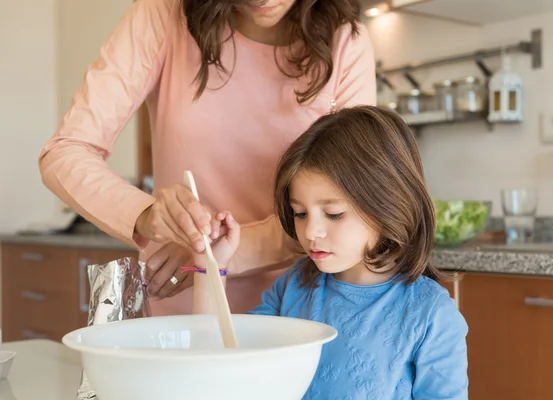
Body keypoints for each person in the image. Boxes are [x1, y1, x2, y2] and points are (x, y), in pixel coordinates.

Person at [38, 0, 376, 314]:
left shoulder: (346, 42)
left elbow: (353, 196)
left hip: (303, 302)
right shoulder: (164, 14)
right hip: (187, 305)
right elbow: (66, 151)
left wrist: (211, 255)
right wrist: (144, 214)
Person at [206, 105, 469, 399]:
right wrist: (211, 266)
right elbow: (222, 360)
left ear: (388, 205)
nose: (310, 232)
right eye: (300, 213)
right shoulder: (294, 287)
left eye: (333, 214)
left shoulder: (431, 315)